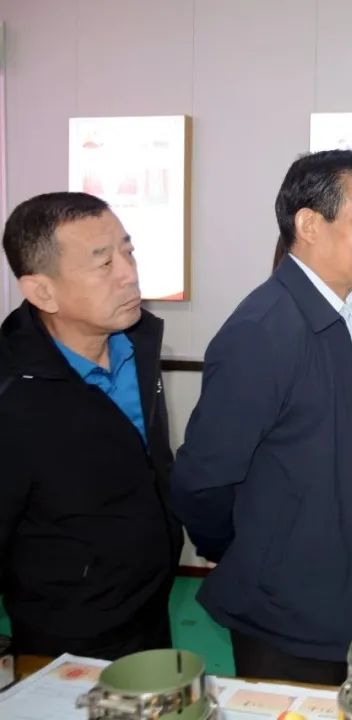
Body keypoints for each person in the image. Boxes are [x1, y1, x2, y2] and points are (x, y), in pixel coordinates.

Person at [171, 150, 352, 684]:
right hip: (293, 596)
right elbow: (203, 478)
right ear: (309, 225)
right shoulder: (265, 329)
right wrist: (253, 553)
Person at [0, 192, 181, 659]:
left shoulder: (136, 345)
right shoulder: (12, 392)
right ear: (42, 291)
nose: (129, 273)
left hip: (153, 607)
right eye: (103, 264)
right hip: (67, 636)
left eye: (128, 251)